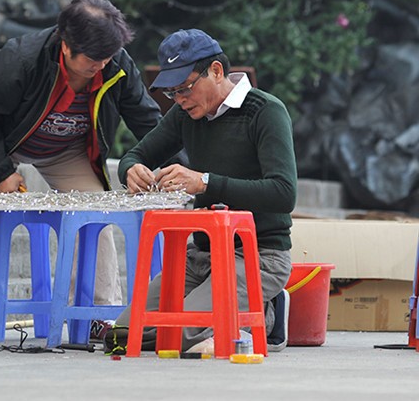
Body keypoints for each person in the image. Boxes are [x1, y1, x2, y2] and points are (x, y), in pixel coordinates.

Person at [0, 0, 171, 345]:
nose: (102, 65)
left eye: (108, 57)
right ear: (66, 46)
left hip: (66, 151)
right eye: (93, 60)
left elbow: (148, 120)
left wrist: (178, 165)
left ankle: (101, 314)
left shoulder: (115, 64)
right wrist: (3, 172)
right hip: (2, 145)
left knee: (97, 211)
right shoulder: (20, 59)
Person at [111, 28, 297, 353]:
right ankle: (235, 317)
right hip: (200, 257)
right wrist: (131, 170)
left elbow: (283, 193)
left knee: (181, 335)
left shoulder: (266, 111)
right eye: (171, 93)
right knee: (123, 334)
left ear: (216, 71)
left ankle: (264, 314)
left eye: (184, 88)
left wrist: (205, 182)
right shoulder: (185, 115)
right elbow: (135, 154)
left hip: (257, 256)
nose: (180, 99)